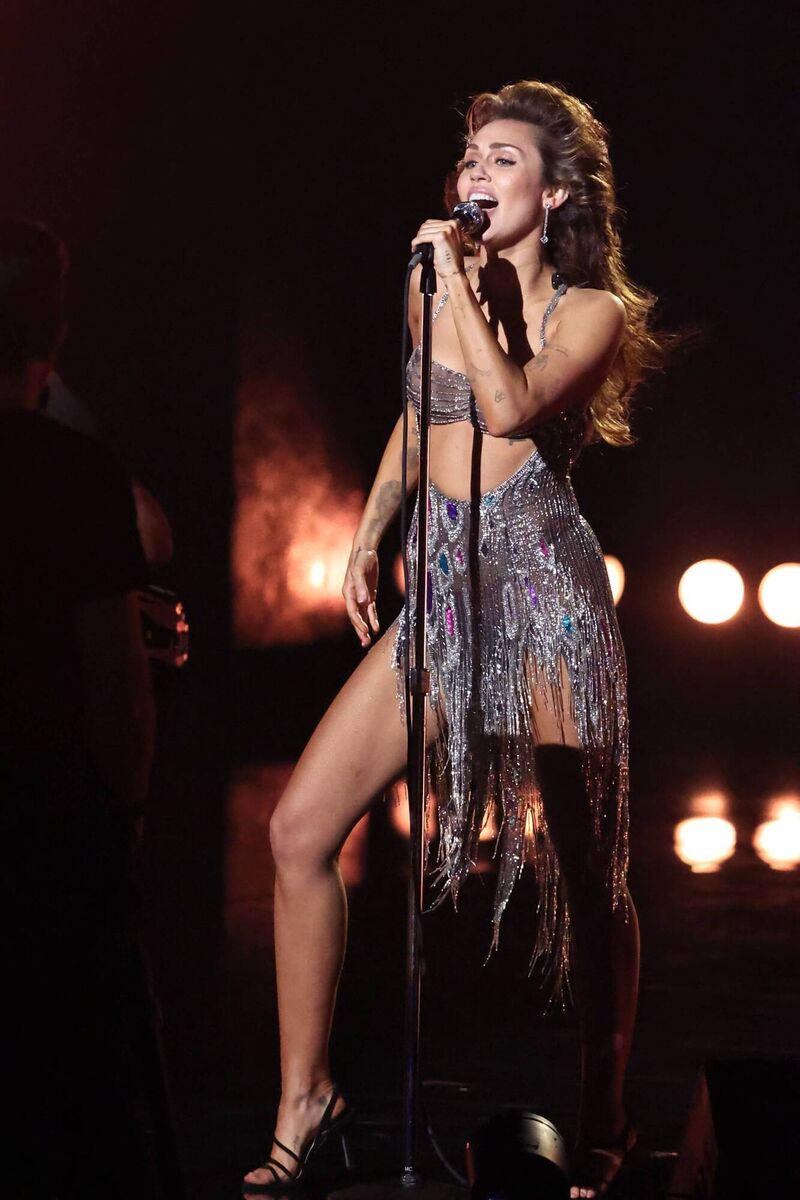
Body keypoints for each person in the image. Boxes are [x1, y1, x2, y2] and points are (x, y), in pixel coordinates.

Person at [244, 81, 669, 1200]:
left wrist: (464, 300)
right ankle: (305, 1099)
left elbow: (507, 407)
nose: (473, 177)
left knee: (586, 872)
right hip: (442, 589)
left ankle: (604, 1107)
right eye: (467, 160)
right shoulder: (436, 289)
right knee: (298, 831)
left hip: (539, 592)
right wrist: (371, 523)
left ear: (556, 190)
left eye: (501, 161)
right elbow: (420, 412)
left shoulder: (591, 308)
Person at [0, 217, 159, 1196]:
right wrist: (122, 826)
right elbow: (120, 708)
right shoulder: (74, 471)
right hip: (41, 841)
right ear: (52, 339)